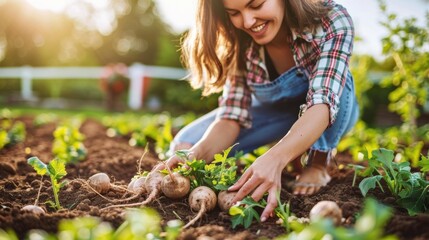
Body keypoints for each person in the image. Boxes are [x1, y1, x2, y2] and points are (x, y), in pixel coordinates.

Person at [153, 0, 359, 222]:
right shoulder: (239, 41)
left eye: (257, 4)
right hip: (280, 116)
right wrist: (196, 155)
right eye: (234, 12)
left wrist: (275, 159)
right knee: (186, 143)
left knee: (341, 81)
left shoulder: (330, 20)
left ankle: (318, 161)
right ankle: (292, 145)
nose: (248, 22)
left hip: (328, 112)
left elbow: (322, 101)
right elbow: (232, 116)